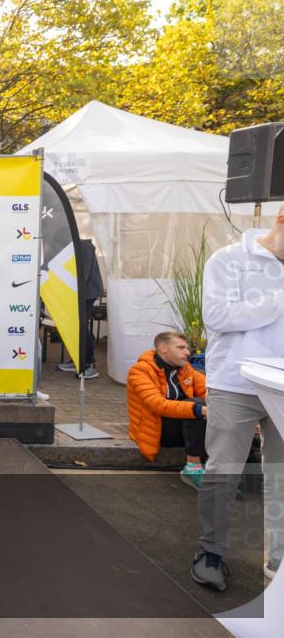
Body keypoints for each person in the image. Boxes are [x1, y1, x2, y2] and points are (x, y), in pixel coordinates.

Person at [192, 203, 284, 591]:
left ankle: (278, 556)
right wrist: (278, 300)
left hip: (282, 386)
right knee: (223, 470)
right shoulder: (228, 260)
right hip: (235, 383)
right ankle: (210, 552)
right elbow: (217, 316)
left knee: (280, 473)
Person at [127, 332, 208, 488]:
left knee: (212, 406)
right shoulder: (140, 371)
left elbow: (210, 392)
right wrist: (199, 410)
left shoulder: (186, 369)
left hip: (185, 428)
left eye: (187, 348)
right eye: (181, 347)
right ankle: (193, 468)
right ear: (163, 348)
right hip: (156, 430)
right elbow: (157, 404)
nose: (187, 352)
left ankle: (221, 474)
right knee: (196, 407)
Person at [58, 238, 104, 379]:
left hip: (85, 294)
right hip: (78, 293)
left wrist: (70, 291)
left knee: (81, 328)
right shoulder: (72, 246)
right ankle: (77, 361)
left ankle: (89, 364)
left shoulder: (82, 247)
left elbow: (82, 274)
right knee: (75, 327)